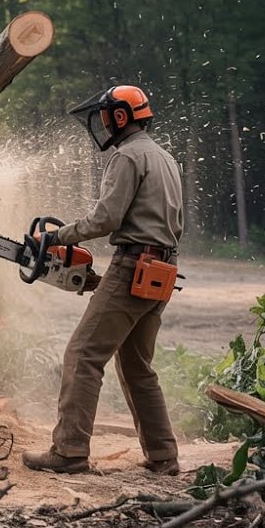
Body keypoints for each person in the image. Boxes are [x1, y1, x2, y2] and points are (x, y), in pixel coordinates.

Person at [22, 84, 184, 476]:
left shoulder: (127, 157)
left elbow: (105, 220)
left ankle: (70, 450)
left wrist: (56, 237)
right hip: (161, 271)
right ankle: (164, 454)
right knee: (137, 366)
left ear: (121, 117)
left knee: (82, 354)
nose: (104, 122)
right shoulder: (165, 158)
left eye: (108, 115)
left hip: (133, 268)